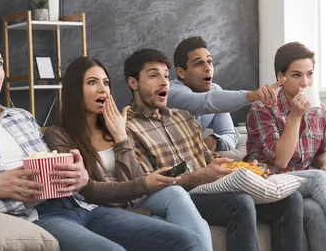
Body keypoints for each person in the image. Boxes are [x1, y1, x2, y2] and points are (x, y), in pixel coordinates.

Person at [0, 31, 204, 251]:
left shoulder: (22, 118)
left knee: (187, 241)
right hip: (37, 216)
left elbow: (55, 168)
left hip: (78, 206)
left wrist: (77, 174)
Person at [124, 48, 304, 251]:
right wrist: (199, 176)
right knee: (240, 202)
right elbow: (147, 183)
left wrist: (243, 169)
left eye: (166, 75)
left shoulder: (183, 117)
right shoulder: (128, 128)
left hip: (209, 189)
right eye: (153, 75)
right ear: (133, 83)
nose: (164, 81)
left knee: (290, 199)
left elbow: (207, 156)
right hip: (182, 196)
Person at [43, 56, 212, 250]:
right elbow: (84, 190)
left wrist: (121, 137)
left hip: (131, 198)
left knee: (175, 192)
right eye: (92, 82)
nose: (102, 89)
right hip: (103, 208)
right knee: (186, 228)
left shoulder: (114, 126)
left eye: (106, 83)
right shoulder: (58, 135)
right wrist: (142, 185)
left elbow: (134, 177)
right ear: (75, 91)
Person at [243, 42, 326, 251]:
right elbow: (281, 159)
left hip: (298, 188)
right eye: (297, 75)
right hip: (266, 183)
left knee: (315, 209)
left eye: (310, 74)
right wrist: (296, 115)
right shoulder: (262, 109)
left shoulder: (319, 112)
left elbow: (320, 153)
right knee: (317, 178)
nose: (305, 82)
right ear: (281, 77)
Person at [167, 36, 283, 155]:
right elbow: (202, 103)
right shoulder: (170, 92)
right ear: (181, 72)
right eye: (198, 64)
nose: (208, 68)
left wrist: (216, 140)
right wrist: (252, 96)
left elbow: (229, 134)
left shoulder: (215, 91)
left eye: (209, 62)